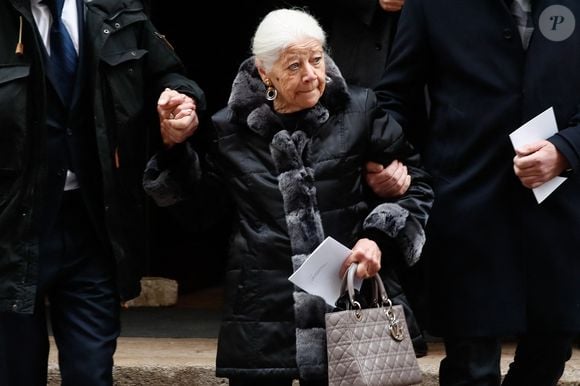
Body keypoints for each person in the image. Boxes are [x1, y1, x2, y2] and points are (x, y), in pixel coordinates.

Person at [143, 8, 433, 385]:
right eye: (293, 66)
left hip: (350, 301)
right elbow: (200, 211)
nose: (311, 75)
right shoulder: (228, 129)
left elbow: (416, 187)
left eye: (316, 59)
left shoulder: (360, 110)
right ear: (264, 72)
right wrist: (174, 151)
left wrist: (377, 239)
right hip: (263, 315)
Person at [370, 1, 580, 385]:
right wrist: (385, 156)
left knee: (550, 354)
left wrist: (567, 149)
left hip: (559, 214)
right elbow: (397, 97)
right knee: (471, 369)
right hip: (466, 207)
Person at [0, 1, 205, 385]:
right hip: (10, 230)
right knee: (14, 372)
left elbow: (169, 76)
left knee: (92, 373)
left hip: (92, 226)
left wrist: (180, 102)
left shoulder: (116, 9)